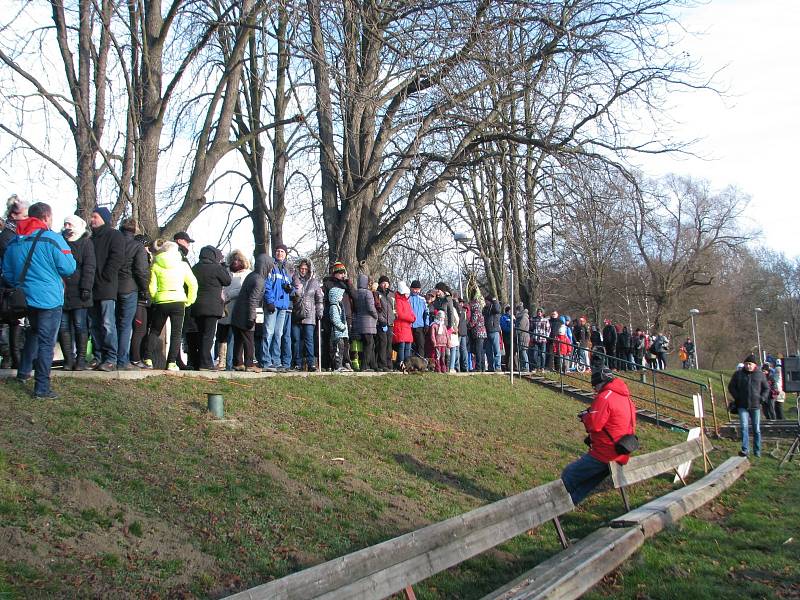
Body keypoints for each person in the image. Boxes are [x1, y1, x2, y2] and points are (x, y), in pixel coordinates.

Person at [2, 202, 76, 398]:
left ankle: (24, 372)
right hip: (49, 299)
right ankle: (42, 388)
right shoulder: (53, 239)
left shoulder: (15, 242)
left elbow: (8, 274)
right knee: (46, 342)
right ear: (46, 218)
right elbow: (69, 267)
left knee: (33, 333)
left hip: (25, 299)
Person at [561, 358, 637, 505]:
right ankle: (568, 505)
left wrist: (586, 417)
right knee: (588, 482)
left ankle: (554, 508)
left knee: (568, 476)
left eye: (595, 385)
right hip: (621, 452)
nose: (595, 389)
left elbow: (594, 426)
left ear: (601, 382)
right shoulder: (625, 397)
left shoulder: (604, 397)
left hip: (606, 453)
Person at [146, 240, 198, 372]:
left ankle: (147, 358)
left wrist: (155, 297)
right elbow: (193, 284)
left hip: (161, 301)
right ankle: (171, 363)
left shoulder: (156, 265)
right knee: (176, 334)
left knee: (154, 331)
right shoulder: (182, 265)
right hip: (178, 301)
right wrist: (189, 300)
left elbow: (152, 287)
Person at [88, 206, 125, 371]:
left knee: (107, 323)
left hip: (106, 287)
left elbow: (117, 258)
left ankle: (110, 358)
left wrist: (105, 276)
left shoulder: (114, 235)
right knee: (94, 324)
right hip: (91, 288)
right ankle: (98, 356)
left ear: (103, 218)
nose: (92, 220)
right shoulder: (90, 238)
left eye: (95, 216)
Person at [59, 215, 96, 371]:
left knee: (80, 325)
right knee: (63, 326)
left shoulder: (86, 243)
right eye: (65, 224)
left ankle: (80, 359)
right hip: (61, 291)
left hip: (80, 291)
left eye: (70, 224)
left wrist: (86, 288)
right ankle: (68, 359)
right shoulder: (60, 242)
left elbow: (89, 266)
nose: (67, 227)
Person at [116, 218, 150, 370]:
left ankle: (110, 356)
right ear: (134, 229)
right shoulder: (137, 247)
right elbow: (141, 271)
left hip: (111, 288)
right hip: (130, 288)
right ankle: (122, 360)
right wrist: (144, 290)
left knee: (112, 324)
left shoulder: (113, 243)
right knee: (125, 325)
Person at [0, 195, 30, 369]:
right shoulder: (8, 236)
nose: (27, 219)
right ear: (13, 215)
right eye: (24, 216)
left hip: (17, 285)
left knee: (17, 323)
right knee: (9, 322)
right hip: (8, 286)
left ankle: (16, 358)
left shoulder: (20, 235)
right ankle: (10, 358)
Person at [190, 246, 231, 370]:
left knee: (199, 334)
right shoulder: (217, 268)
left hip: (196, 306)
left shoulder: (195, 268)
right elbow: (227, 281)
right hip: (212, 307)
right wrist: (223, 267)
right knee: (208, 335)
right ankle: (206, 363)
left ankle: (197, 361)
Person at [230, 254, 272, 372]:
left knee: (238, 340)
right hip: (246, 314)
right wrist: (251, 318)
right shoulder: (259, 280)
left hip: (238, 312)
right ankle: (249, 364)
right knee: (249, 340)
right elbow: (253, 300)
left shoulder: (251, 275)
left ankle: (237, 363)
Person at [727, 354, 769, 457]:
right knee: (744, 427)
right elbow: (731, 386)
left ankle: (757, 451)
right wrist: (737, 397)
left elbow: (766, 388)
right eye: (746, 364)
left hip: (755, 405)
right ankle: (745, 449)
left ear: (754, 365)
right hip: (742, 405)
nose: (747, 366)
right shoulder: (738, 374)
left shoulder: (760, 375)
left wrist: (762, 398)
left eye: (750, 364)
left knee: (756, 429)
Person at [263, 243, 293, 372]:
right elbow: (267, 286)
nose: (280, 253)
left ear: (285, 254)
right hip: (273, 305)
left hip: (283, 307)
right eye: (278, 251)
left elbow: (291, 290)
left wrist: (290, 289)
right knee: (268, 333)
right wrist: (269, 302)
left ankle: (276, 361)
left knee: (278, 334)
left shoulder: (286, 271)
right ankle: (266, 361)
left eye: (282, 251)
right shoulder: (271, 267)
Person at [290, 258, 323, 371]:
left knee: (309, 340)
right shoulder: (294, 279)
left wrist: (320, 311)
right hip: (297, 313)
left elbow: (319, 298)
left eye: (305, 268)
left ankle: (311, 363)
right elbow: (290, 294)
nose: (303, 270)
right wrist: (293, 291)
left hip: (309, 315)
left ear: (309, 269)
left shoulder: (314, 282)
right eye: (301, 268)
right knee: (296, 340)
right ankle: (297, 363)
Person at [129, 235, 152, 369]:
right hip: (139, 298)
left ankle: (135, 357)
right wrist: (145, 291)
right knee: (139, 329)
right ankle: (135, 358)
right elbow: (142, 273)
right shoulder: (140, 254)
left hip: (137, 297)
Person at [352, 273, 379, 372]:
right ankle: (365, 366)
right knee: (369, 344)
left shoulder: (355, 292)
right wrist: (376, 316)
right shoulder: (368, 293)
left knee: (366, 344)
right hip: (368, 323)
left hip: (359, 322)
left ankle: (373, 365)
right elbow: (371, 308)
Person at [393, 281, 415, 369]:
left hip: (407, 328)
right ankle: (401, 363)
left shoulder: (407, 302)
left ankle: (407, 364)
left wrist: (412, 318)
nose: (407, 295)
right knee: (402, 346)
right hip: (401, 327)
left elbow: (412, 314)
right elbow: (400, 314)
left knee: (408, 347)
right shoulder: (398, 301)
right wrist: (410, 318)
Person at [375, 275, 396, 370]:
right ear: (380, 284)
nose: (385, 285)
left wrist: (394, 317)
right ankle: (382, 364)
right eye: (383, 283)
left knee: (389, 344)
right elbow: (377, 308)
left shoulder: (392, 295)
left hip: (390, 323)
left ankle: (389, 363)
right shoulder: (377, 293)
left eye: (387, 283)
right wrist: (381, 320)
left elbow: (394, 308)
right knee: (383, 343)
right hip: (382, 323)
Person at [328, 286, 350, 372]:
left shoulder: (339, 305)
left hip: (342, 333)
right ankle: (337, 366)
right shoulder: (334, 307)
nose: (342, 297)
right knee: (337, 349)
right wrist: (343, 326)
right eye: (340, 295)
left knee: (342, 349)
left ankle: (340, 364)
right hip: (338, 332)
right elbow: (335, 319)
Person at [467, 291, 486, 372]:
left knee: (478, 351)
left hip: (478, 333)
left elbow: (473, 323)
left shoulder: (475, 312)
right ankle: (482, 367)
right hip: (482, 333)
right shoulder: (480, 312)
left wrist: (468, 326)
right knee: (481, 351)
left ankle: (478, 367)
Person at [409, 280, 428, 358]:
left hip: (419, 326)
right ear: (411, 289)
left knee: (420, 345)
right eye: (414, 289)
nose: (416, 291)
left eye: (418, 289)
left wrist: (426, 324)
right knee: (410, 345)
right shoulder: (408, 298)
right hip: (409, 325)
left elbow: (426, 312)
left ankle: (421, 363)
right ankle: (410, 363)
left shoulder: (422, 299)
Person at [483, 295, 502, 372]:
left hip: (494, 331)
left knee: (496, 350)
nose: (485, 302)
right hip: (487, 331)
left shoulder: (494, 308)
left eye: (487, 301)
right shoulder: (485, 309)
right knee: (489, 351)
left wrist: (495, 300)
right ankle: (491, 367)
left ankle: (498, 367)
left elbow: (497, 309)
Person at [531, 308, 550, 373]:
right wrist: (532, 336)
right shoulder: (534, 319)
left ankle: (542, 368)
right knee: (534, 354)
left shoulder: (546, 320)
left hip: (543, 339)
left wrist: (546, 337)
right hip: (535, 339)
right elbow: (531, 328)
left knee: (542, 354)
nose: (539, 313)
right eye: (538, 312)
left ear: (542, 313)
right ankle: (536, 367)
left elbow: (548, 329)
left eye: (540, 312)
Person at [515, 304, 530, 373]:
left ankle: (526, 367)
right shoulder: (521, 317)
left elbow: (521, 327)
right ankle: (523, 366)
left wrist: (515, 329)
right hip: (521, 336)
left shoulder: (523, 317)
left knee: (523, 351)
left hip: (523, 337)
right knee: (522, 352)